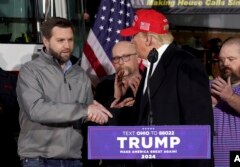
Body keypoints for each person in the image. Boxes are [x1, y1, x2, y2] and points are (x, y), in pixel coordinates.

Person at [120, 9, 214, 167]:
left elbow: (198, 128)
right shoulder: (151, 66)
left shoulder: (185, 64)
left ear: (148, 39)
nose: (131, 42)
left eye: (134, 36)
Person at [16, 17, 113, 167]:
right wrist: (84, 109)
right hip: (39, 159)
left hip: (74, 159)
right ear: (46, 41)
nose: (67, 45)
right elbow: (36, 110)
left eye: (70, 40)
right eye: (60, 40)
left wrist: (95, 114)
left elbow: (82, 115)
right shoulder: (30, 71)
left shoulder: (80, 74)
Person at [82, 41, 142, 167]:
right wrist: (115, 98)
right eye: (116, 58)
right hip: (113, 158)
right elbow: (95, 126)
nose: (120, 62)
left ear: (138, 57)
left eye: (125, 57)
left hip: (141, 156)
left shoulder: (150, 82)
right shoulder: (105, 84)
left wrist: (141, 100)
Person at [211, 37, 240, 167]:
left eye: (231, 59)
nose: (225, 64)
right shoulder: (212, 86)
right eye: (221, 60)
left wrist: (230, 97)